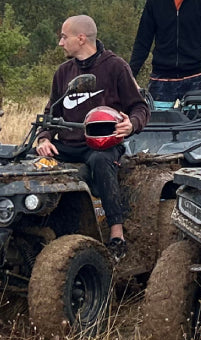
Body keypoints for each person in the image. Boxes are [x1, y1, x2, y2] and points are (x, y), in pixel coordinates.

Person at [36, 15, 149, 259]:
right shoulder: (63, 72)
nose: (60, 43)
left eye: (64, 37)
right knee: (27, 160)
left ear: (81, 38)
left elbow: (140, 107)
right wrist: (44, 139)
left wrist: (132, 124)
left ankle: (116, 236)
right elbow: (51, 113)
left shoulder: (116, 67)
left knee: (99, 161)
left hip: (102, 145)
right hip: (67, 144)